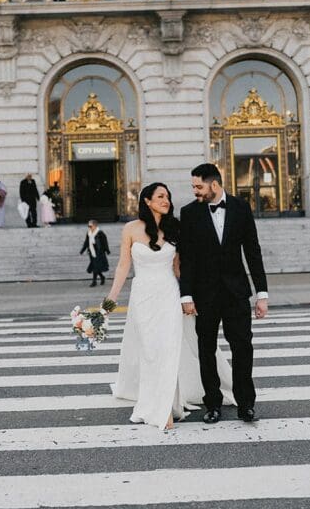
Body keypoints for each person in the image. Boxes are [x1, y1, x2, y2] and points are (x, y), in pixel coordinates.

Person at [106, 183, 234, 431]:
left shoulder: (174, 228)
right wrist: (110, 300)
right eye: (160, 196)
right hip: (143, 297)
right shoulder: (130, 229)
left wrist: (191, 297)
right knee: (151, 351)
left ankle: (165, 409)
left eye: (168, 196)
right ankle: (159, 404)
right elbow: (123, 266)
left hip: (169, 295)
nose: (166, 200)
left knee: (168, 350)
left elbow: (179, 269)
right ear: (147, 201)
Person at [178, 163, 268, 424]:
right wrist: (186, 296)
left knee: (243, 348)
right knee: (206, 350)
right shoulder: (189, 213)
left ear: (214, 184)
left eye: (198, 186)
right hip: (204, 294)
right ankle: (213, 404)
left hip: (236, 293)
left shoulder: (240, 207)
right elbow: (188, 259)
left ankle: (246, 404)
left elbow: (253, 251)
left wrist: (261, 293)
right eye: (193, 186)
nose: (195, 191)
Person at [80, 219, 109, 287]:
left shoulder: (100, 233)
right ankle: (102, 277)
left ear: (95, 226)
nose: (89, 227)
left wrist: (107, 250)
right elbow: (86, 242)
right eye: (88, 226)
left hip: (99, 252)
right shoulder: (88, 233)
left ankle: (94, 281)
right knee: (95, 267)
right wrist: (82, 250)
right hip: (91, 252)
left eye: (90, 226)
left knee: (95, 267)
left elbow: (105, 242)